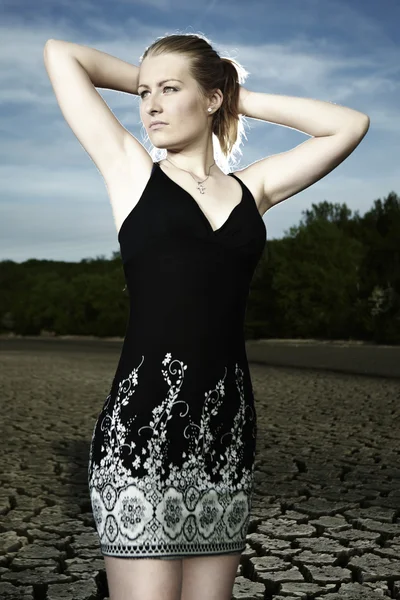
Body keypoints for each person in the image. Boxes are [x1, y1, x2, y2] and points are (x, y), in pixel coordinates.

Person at [43, 31, 369, 600]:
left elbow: (350, 125)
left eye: (171, 90)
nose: (151, 105)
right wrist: (156, 81)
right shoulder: (131, 172)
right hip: (138, 439)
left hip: (225, 439)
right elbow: (59, 54)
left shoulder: (254, 190)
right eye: (145, 93)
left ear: (212, 99)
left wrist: (234, 90)